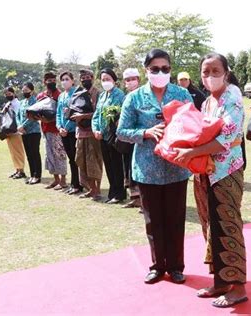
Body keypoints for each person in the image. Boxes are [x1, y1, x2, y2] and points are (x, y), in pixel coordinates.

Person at [173, 53, 247, 308]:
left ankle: (238, 287)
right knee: (210, 225)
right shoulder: (207, 103)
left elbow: (225, 139)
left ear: (226, 72)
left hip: (226, 172)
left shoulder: (233, 100)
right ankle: (220, 281)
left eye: (215, 71)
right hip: (206, 172)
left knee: (227, 225)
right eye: (205, 72)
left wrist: (191, 152)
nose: (210, 76)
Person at [117, 49, 193, 285]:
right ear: (146, 70)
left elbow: (194, 124)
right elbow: (121, 131)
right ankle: (157, 266)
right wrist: (145, 132)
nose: (161, 73)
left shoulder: (182, 94)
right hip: (147, 168)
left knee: (175, 219)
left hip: (176, 167)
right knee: (153, 221)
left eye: (165, 69)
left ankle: (176, 266)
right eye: (155, 69)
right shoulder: (134, 98)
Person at [92, 68, 126, 204]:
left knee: (117, 165)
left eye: (108, 79)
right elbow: (96, 115)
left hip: (114, 135)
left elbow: (122, 114)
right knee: (108, 165)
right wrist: (96, 129)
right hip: (102, 136)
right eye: (103, 79)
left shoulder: (120, 95)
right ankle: (113, 192)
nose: (105, 82)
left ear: (114, 80)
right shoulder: (102, 96)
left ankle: (119, 193)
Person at [73, 69, 103, 201]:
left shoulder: (99, 94)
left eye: (87, 77)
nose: (85, 79)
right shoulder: (78, 94)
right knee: (82, 160)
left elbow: (98, 113)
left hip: (93, 133)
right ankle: (90, 188)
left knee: (94, 161)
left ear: (92, 77)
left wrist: (83, 116)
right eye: (82, 78)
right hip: (81, 133)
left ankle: (97, 189)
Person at [37, 72, 67, 190]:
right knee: (49, 155)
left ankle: (63, 180)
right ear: (45, 82)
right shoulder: (41, 96)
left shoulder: (60, 95)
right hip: (45, 129)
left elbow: (61, 113)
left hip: (57, 129)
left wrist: (52, 119)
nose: (52, 82)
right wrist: (39, 118)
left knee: (60, 154)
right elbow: (37, 111)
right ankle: (56, 179)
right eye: (49, 80)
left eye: (53, 80)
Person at [56, 71, 82, 195]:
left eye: (67, 79)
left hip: (72, 131)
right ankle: (74, 184)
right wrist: (59, 127)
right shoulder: (61, 96)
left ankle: (77, 184)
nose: (64, 81)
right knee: (70, 158)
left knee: (75, 158)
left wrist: (66, 127)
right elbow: (58, 113)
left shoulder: (76, 94)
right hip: (63, 132)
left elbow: (75, 113)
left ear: (72, 80)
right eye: (62, 79)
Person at [121, 68, 142, 209]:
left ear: (138, 80)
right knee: (129, 168)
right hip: (127, 138)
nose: (130, 82)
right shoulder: (125, 97)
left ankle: (143, 201)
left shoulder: (142, 95)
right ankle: (134, 198)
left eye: (133, 79)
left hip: (139, 138)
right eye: (127, 80)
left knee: (138, 169)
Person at [16, 82, 42, 184]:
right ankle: (32, 175)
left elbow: (33, 116)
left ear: (32, 91)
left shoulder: (35, 101)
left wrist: (23, 125)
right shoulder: (22, 102)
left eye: (26, 90)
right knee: (29, 154)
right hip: (24, 132)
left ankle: (37, 175)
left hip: (34, 131)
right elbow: (17, 115)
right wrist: (19, 125)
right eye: (23, 91)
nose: (24, 92)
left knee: (35, 153)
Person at [3, 87, 26, 179]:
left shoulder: (17, 104)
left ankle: (21, 170)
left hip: (16, 131)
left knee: (18, 151)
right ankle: (17, 169)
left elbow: (17, 117)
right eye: (6, 94)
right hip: (8, 132)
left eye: (9, 93)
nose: (8, 96)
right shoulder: (8, 104)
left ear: (13, 93)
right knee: (13, 152)